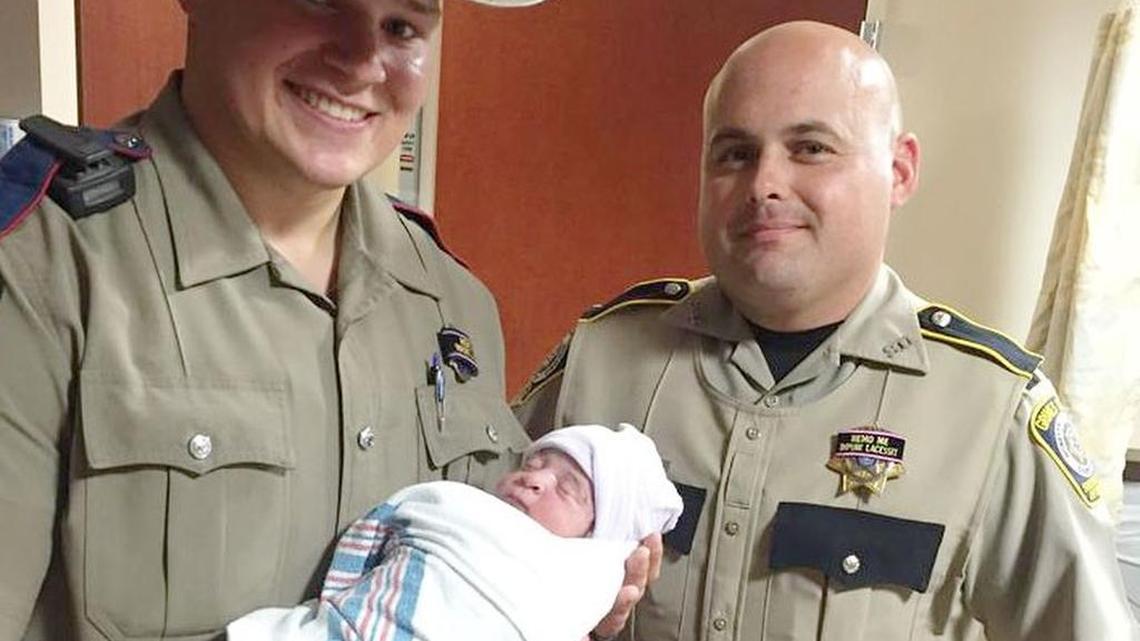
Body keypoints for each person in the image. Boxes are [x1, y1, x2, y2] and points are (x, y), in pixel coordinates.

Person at [0, 1, 661, 639]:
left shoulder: (454, 305)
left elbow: (479, 567)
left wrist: (560, 592)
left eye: (401, 23)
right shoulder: (40, 266)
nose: (362, 60)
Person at [514, 20, 1139, 640]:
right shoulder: (600, 358)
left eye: (811, 147)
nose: (764, 185)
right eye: (735, 153)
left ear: (898, 171)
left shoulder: (989, 410)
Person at [226, 424, 683, 641]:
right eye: (534, 464)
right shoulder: (458, 508)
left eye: (567, 489)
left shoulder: (580, 573)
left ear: (596, 538)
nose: (535, 479)